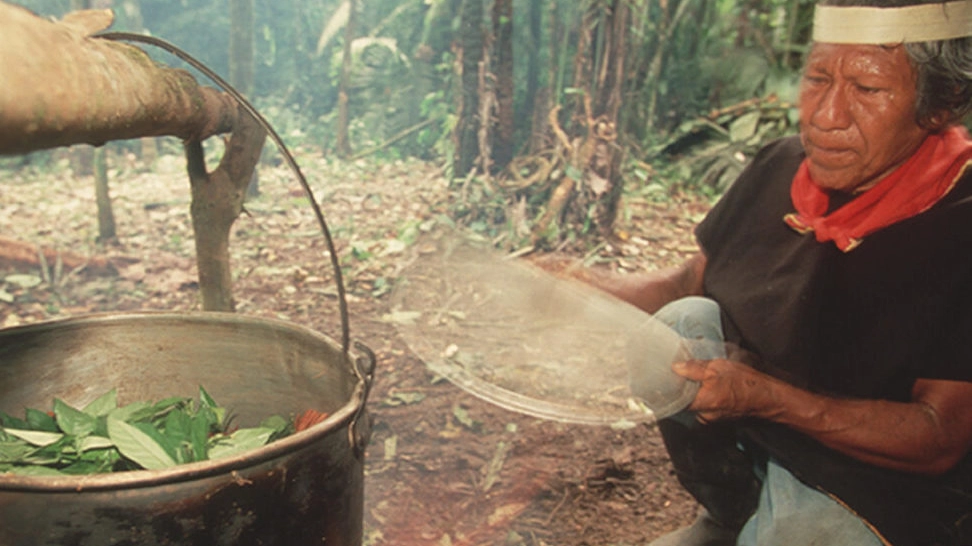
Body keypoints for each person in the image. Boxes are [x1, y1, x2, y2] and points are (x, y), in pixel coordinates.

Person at [577, 1, 972, 544]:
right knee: (681, 324)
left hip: (884, 498)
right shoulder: (781, 164)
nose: (826, 114)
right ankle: (734, 516)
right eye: (816, 79)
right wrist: (577, 289)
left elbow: (939, 436)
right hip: (764, 452)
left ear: (940, 104)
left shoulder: (960, 221)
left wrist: (765, 397)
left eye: (867, 89)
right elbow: (687, 285)